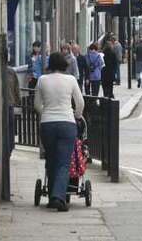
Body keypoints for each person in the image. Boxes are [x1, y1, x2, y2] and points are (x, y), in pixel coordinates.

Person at [34, 52, 84, 212]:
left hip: (47, 124)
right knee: (63, 163)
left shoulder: (42, 80)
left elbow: (36, 105)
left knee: (51, 160)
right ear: (64, 64)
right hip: (67, 124)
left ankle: (51, 197)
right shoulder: (70, 80)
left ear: (50, 64)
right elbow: (80, 103)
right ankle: (58, 197)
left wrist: (46, 113)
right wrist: (76, 116)